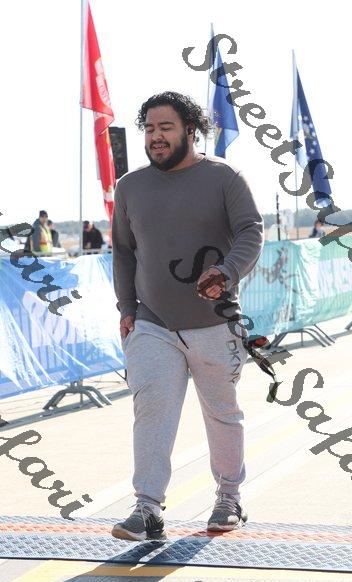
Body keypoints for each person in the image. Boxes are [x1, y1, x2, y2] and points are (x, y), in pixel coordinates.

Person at [111, 91, 264, 541]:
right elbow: (123, 251)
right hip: (152, 323)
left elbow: (251, 231)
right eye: (149, 129)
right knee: (152, 412)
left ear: (190, 130)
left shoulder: (223, 177)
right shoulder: (130, 187)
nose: (156, 137)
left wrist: (227, 271)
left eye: (166, 128)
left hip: (216, 322)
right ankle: (147, 508)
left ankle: (229, 498)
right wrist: (127, 307)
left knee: (221, 413)